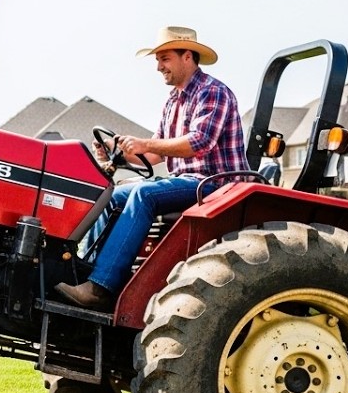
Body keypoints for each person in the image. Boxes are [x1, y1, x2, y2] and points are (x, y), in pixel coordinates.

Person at [55, 26, 247, 310]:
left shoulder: (213, 92)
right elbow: (155, 155)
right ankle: (86, 270)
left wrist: (144, 144)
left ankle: (100, 288)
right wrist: (117, 151)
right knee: (111, 194)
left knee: (144, 195)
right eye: (158, 60)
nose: (159, 67)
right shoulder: (173, 101)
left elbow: (199, 142)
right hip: (188, 181)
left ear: (187, 57)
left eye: (165, 58)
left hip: (217, 184)